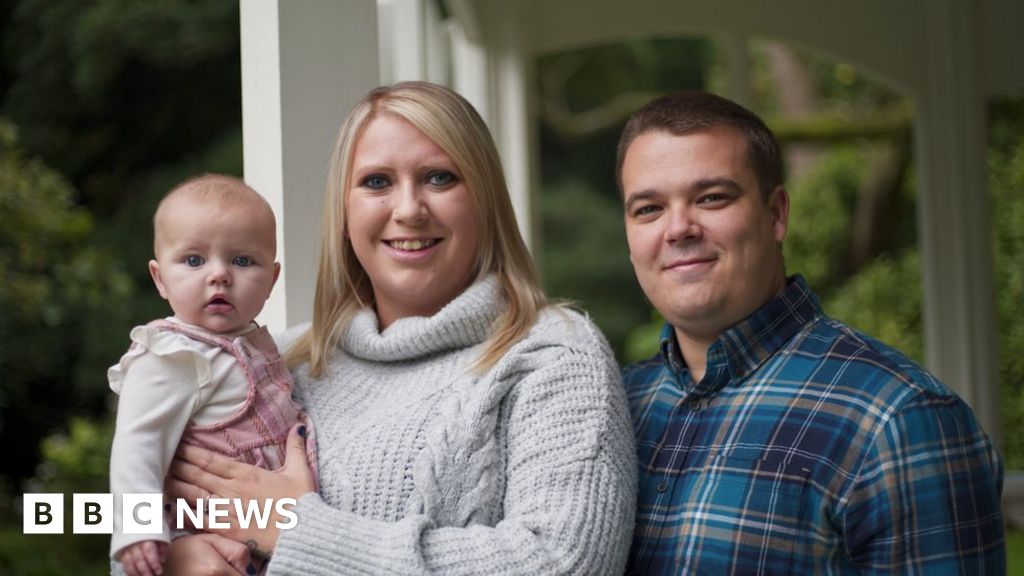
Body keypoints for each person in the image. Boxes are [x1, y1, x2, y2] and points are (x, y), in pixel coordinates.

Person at [162, 81, 637, 575]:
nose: (409, 210)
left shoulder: (552, 355)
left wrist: (296, 533)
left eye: (439, 178)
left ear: (486, 201)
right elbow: (142, 511)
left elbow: (564, 563)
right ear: (343, 213)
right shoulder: (271, 363)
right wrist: (173, 555)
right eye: (377, 182)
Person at [617, 91, 1005, 574]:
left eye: (712, 197)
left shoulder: (899, 419)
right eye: (648, 208)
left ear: (776, 214)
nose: (678, 228)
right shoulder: (614, 406)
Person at [108, 174, 318, 576]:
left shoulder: (255, 344)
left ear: (272, 280)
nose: (219, 274)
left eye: (242, 261)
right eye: (194, 260)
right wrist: (137, 528)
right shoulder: (172, 356)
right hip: (208, 537)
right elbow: (138, 444)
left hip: (271, 536)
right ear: (159, 278)